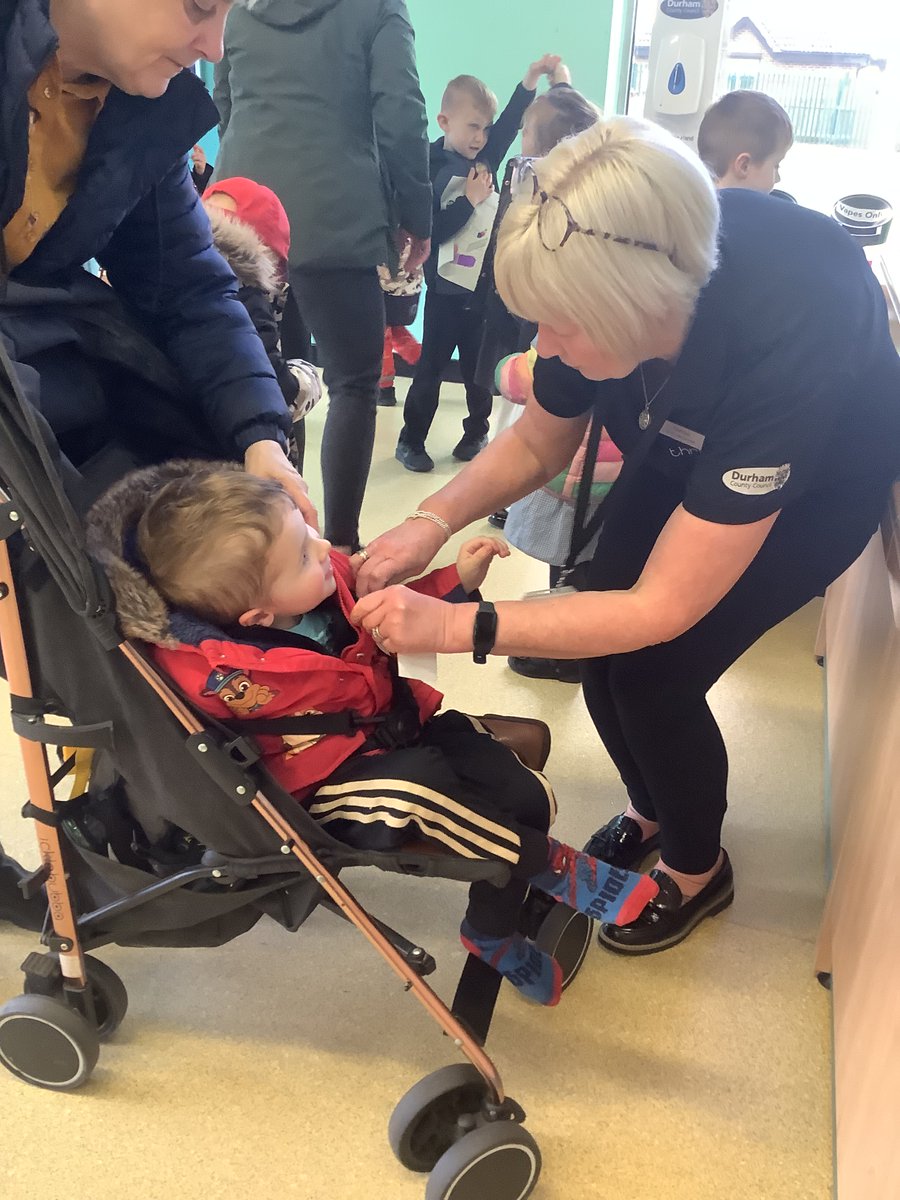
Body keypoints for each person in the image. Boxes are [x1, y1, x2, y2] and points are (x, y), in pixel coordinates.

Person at [351, 115, 900, 955]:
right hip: (683, 436)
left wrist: (461, 627)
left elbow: (663, 607)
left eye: (562, 328)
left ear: (639, 305)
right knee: (601, 654)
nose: (548, 346)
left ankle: (695, 865)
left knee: (656, 675)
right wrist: (429, 522)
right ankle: (653, 808)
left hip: (816, 482)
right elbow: (540, 437)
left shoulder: (795, 315)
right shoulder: (595, 284)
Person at [86, 463, 659, 1006]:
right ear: (258, 617)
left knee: (522, 794)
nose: (324, 547)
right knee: (417, 792)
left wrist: (453, 584)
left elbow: (390, 610)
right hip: (317, 783)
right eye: (305, 554)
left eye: (307, 533)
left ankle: (493, 932)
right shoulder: (208, 673)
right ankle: (551, 865)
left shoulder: (322, 581)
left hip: (396, 724)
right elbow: (167, 738)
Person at [0, 0, 313, 927]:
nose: (214, 44)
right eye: (199, 7)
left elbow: (189, 289)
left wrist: (262, 432)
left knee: (171, 550)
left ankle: (138, 798)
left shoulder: (138, 103)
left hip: (59, 394)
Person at [213, 0, 433, 553]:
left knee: (269, 379)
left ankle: (282, 539)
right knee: (353, 383)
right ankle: (338, 548)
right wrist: (416, 216)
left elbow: (226, 104)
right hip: (336, 216)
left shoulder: (240, 9)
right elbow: (402, 112)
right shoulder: (377, 9)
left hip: (240, 214)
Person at [395, 57, 564, 474]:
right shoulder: (429, 166)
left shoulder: (485, 159)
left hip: (481, 294)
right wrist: (468, 202)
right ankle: (410, 440)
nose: (481, 137)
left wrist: (528, 81)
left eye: (485, 129)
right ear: (444, 120)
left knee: (478, 372)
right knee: (430, 371)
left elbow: (508, 124)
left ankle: (476, 433)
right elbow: (432, 230)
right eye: (473, 126)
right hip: (444, 294)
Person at [203, 178, 322, 470]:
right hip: (238, 464)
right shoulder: (249, 299)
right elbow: (279, 392)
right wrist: (309, 379)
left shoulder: (167, 279)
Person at [697, 90, 793, 192]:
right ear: (744, 166)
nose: (778, 179)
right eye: (776, 166)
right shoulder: (762, 208)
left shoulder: (690, 201)